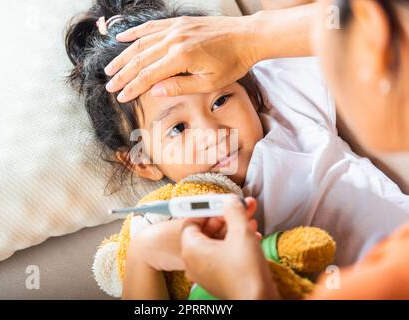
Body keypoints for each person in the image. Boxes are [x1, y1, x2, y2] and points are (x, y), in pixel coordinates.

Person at [65, 0, 409, 299]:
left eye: (221, 99)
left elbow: (289, 13)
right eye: (178, 128)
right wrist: (143, 256)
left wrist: (244, 37)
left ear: (249, 87)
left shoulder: (285, 107)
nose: (214, 133)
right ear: (141, 162)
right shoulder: (165, 217)